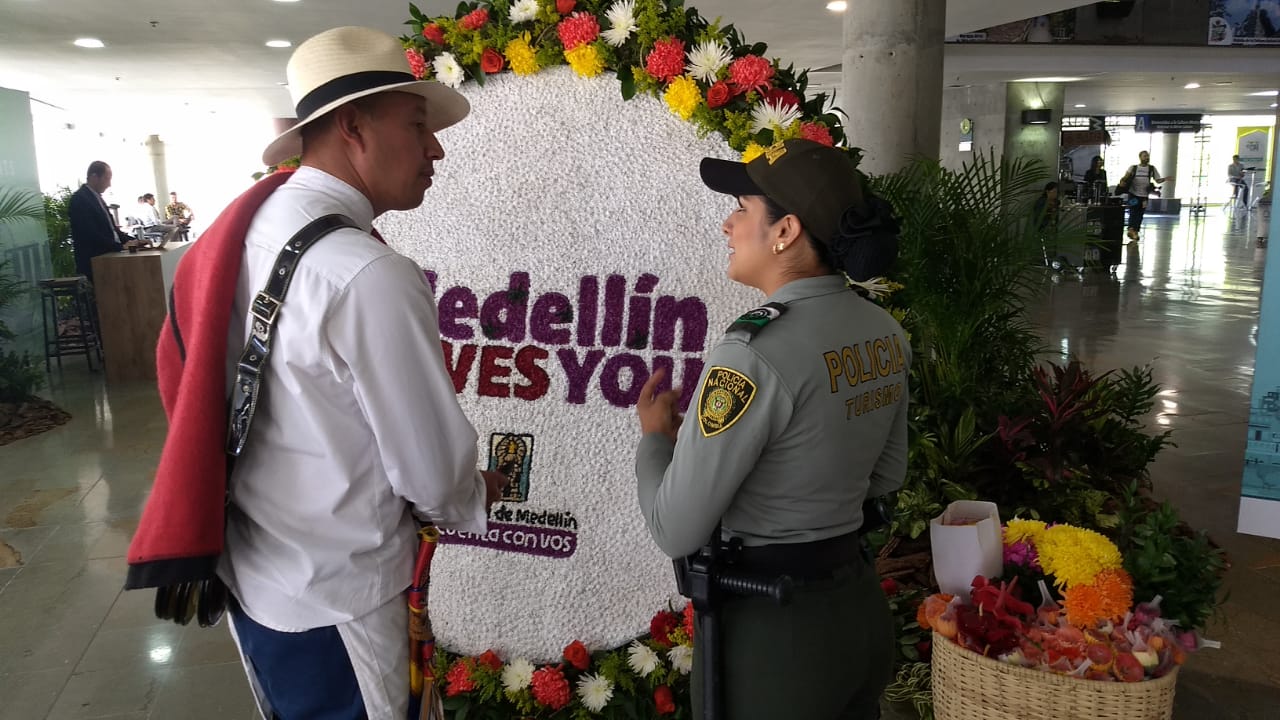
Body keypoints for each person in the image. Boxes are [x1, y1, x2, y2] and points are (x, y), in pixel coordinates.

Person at [124, 26, 505, 720]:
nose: (436, 148)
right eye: (417, 125)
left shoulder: (245, 232)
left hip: (255, 579)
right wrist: (475, 491)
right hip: (343, 602)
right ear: (353, 127)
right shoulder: (367, 274)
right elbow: (432, 477)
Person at [634, 139, 908, 719]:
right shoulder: (883, 331)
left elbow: (674, 529)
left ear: (785, 231)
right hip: (856, 612)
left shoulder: (752, 353)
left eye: (742, 208)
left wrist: (655, 439)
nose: (727, 224)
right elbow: (886, 476)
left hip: (778, 637)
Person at [68, 160, 132, 280]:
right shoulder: (80, 199)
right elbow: (90, 233)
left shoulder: (97, 198)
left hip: (109, 257)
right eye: (107, 179)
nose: (109, 184)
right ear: (94, 177)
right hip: (95, 262)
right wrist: (120, 247)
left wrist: (133, 242)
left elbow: (111, 229)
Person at [1117, 150, 1168, 241]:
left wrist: (1165, 179)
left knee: (1140, 214)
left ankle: (1135, 231)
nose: (1147, 158)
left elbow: (1157, 180)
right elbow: (1125, 177)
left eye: (1147, 156)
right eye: (1144, 156)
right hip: (1133, 194)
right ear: (1140, 157)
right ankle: (1131, 229)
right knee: (1133, 211)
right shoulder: (1133, 168)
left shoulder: (1151, 168)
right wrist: (1122, 183)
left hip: (1144, 196)